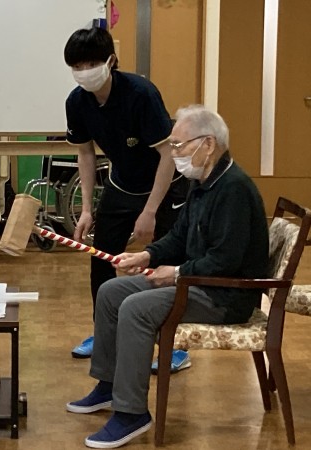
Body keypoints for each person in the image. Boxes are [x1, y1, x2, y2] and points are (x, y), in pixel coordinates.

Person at [66, 105, 270, 448]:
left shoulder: (233, 189)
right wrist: (147, 256)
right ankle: (109, 385)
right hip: (198, 282)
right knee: (111, 292)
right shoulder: (203, 182)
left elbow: (225, 259)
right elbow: (179, 237)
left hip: (224, 295)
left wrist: (176, 273)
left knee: (136, 308)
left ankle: (131, 413)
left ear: (208, 144)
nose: (174, 153)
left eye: (179, 145)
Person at [64, 26, 190, 371]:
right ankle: (104, 334)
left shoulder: (140, 94)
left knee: (165, 265)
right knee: (101, 258)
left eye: (91, 64)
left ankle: (174, 344)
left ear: (111, 61)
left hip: (165, 185)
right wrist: (86, 209)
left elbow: (168, 155)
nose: (84, 72)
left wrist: (149, 212)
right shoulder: (77, 102)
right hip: (122, 185)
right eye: (77, 66)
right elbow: (85, 154)